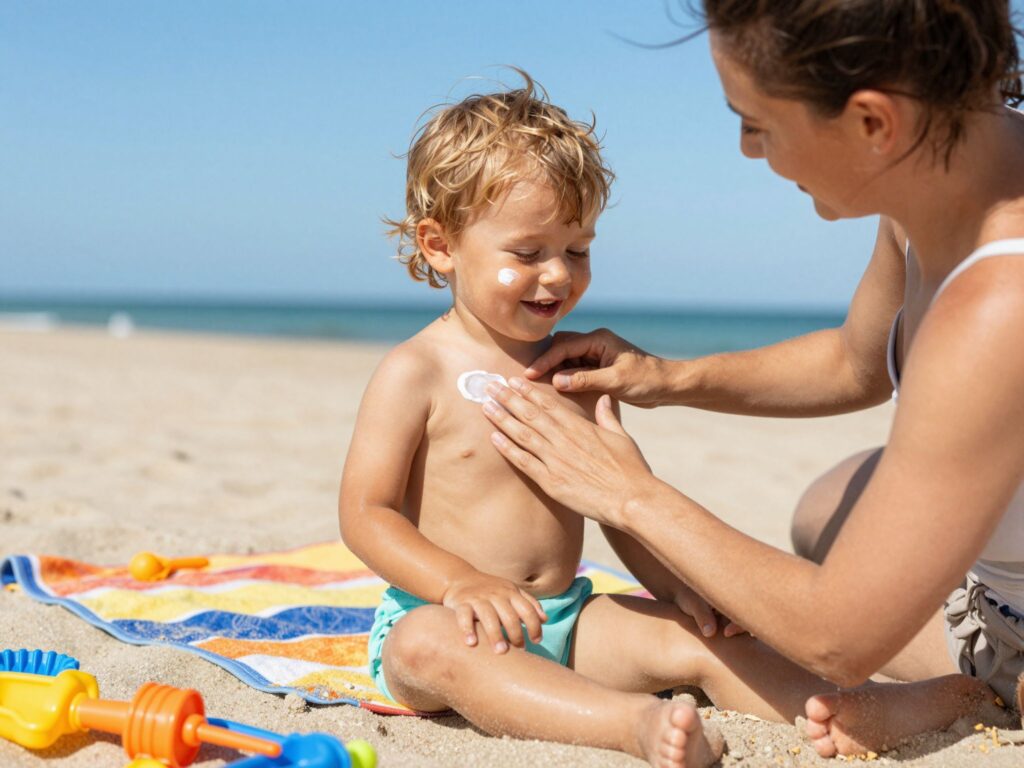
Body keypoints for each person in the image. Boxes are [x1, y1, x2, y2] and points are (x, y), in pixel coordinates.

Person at [480, 0, 1024, 758]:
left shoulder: (1002, 302)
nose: (745, 148)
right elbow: (855, 363)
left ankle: (1001, 686)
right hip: (995, 582)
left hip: (1004, 621)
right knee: (825, 507)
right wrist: (664, 375)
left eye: (757, 122)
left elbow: (840, 639)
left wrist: (625, 495)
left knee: (843, 599)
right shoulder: (941, 168)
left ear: (873, 123)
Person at [337, 71, 876, 768]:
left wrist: (681, 588)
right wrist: (455, 583)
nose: (558, 275)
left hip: (567, 617)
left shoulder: (575, 371)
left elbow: (622, 507)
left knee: (700, 640)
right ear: (440, 246)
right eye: (528, 253)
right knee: (427, 649)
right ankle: (628, 726)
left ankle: (848, 712)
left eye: (577, 249)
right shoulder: (416, 371)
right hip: (449, 618)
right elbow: (366, 513)